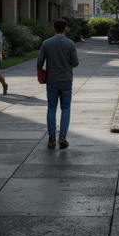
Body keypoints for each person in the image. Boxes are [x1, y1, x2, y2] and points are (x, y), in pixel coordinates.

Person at [37, 18, 80, 150]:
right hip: (66, 80)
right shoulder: (70, 43)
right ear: (65, 28)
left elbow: (39, 62)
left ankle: (51, 139)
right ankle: (62, 136)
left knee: (51, 108)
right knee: (66, 108)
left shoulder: (46, 43)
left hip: (52, 80)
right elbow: (76, 62)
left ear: (54, 28)